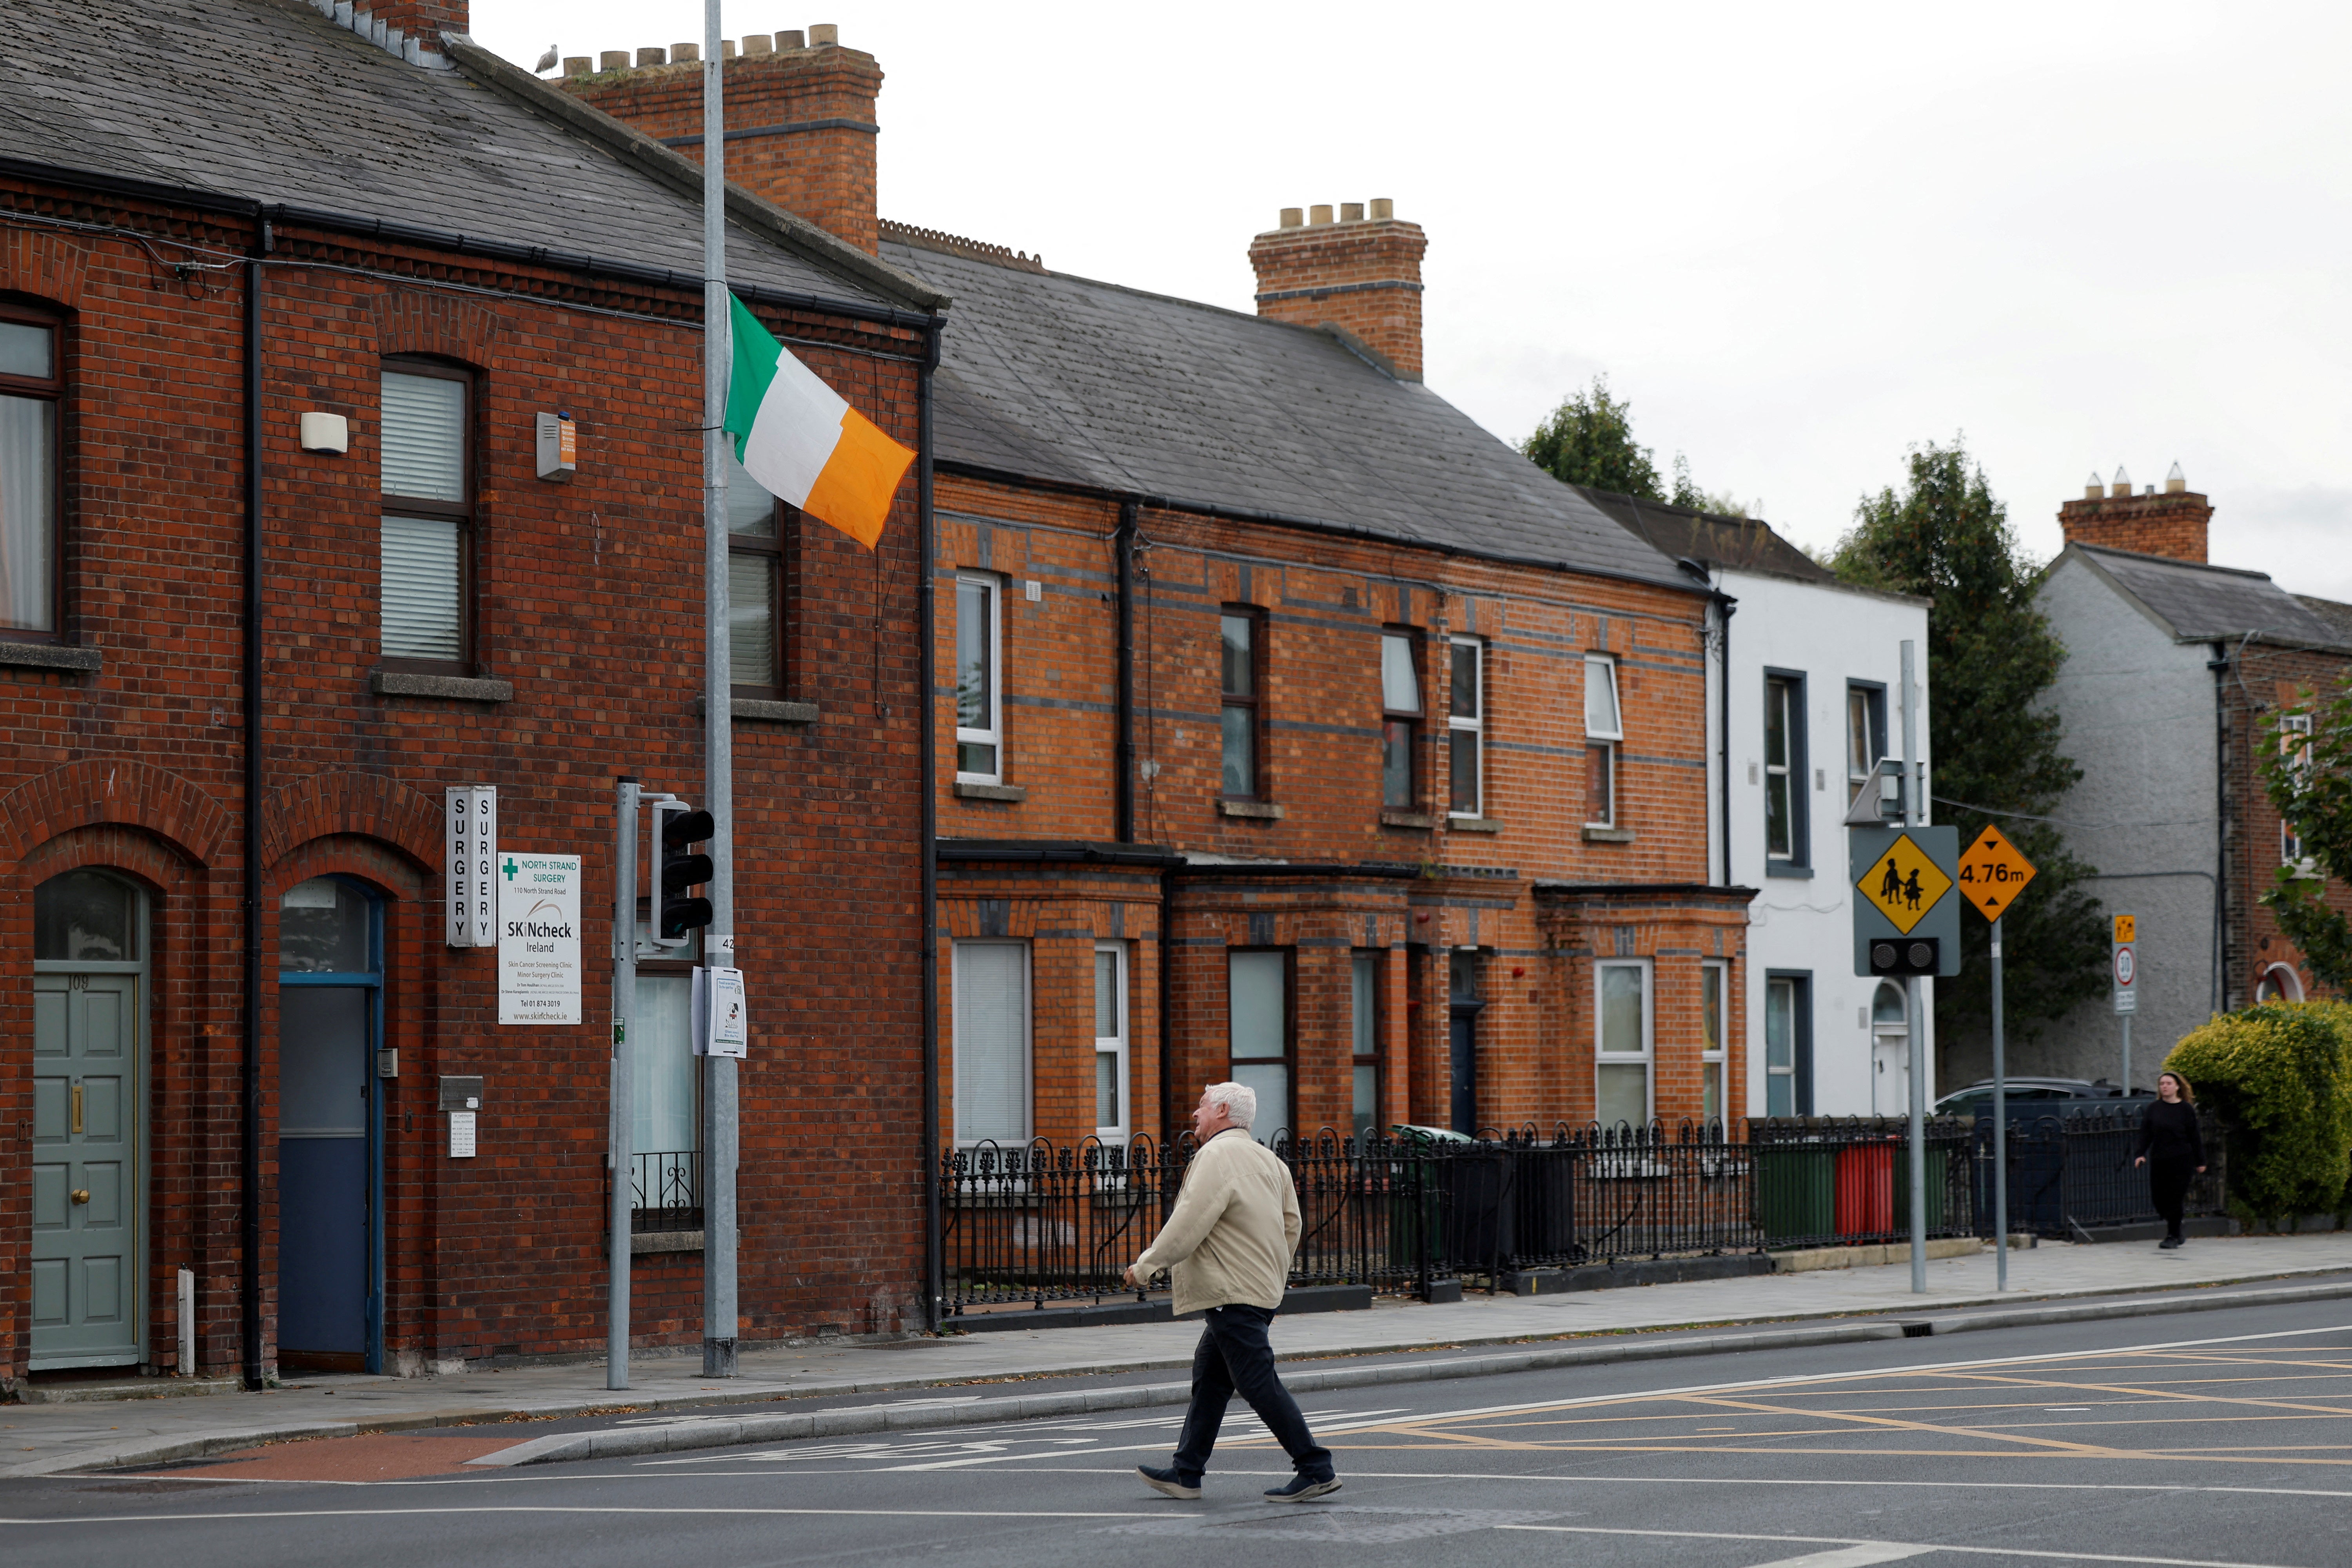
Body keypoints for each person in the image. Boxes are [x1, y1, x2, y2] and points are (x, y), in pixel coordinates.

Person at [1127, 1082, 1339, 1504]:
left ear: (1222, 1110)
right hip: (1258, 1289)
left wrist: (1148, 1263)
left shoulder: (1215, 1156)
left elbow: (1191, 1219)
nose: (1195, 1114)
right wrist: (1273, 1273)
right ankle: (1186, 1471)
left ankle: (1315, 1466)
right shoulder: (1271, 1161)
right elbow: (1292, 1225)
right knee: (1211, 1376)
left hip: (1230, 1289)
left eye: (1202, 1105)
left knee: (1257, 1381)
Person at [2133, 1070, 2207, 1249]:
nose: (2164, 1087)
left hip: (2182, 1160)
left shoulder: (2186, 1109)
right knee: (2159, 1199)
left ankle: (2173, 1236)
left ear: (2177, 1087)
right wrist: (2140, 1154)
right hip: (2160, 1159)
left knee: (2175, 1198)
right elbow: (2146, 1134)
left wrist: (2201, 1161)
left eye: (2168, 1084)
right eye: (2162, 1084)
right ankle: (2178, 1230)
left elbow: (2194, 1136)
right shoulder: (2154, 1109)